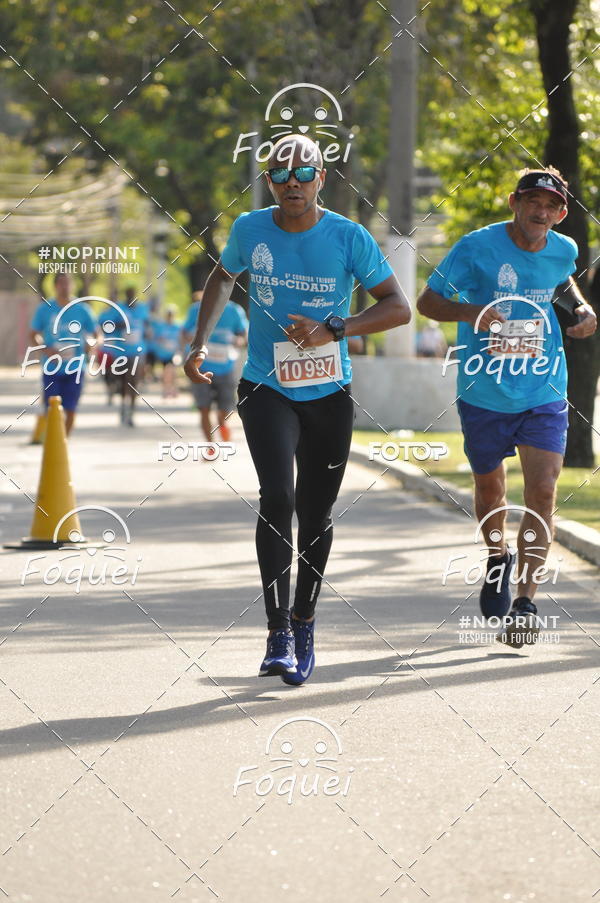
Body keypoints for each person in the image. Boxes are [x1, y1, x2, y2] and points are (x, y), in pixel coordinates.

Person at [184, 134, 411, 683]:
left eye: (303, 173)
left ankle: (305, 619)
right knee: (278, 497)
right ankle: (277, 630)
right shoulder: (249, 230)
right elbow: (222, 276)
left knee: (315, 512)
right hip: (267, 385)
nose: (292, 182)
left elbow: (398, 308)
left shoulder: (349, 237)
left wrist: (336, 328)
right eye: (282, 174)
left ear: (321, 179)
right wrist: (199, 342)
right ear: (269, 182)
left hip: (329, 394)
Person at [417, 167, 597, 646]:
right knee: (490, 489)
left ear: (560, 214)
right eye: (532, 202)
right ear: (515, 202)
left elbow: (561, 283)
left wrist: (579, 308)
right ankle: (498, 558)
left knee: (542, 491)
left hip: (543, 391)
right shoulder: (475, 247)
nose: (541, 213)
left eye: (551, 206)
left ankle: (525, 603)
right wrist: (470, 312)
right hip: (485, 392)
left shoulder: (564, 249)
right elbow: (427, 301)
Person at [29, 273, 98, 435]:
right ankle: (52, 440)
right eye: (61, 283)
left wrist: (92, 344)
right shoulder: (45, 309)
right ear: (55, 286)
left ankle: (63, 444)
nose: (65, 286)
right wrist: (46, 350)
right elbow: (32, 335)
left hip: (75, 367)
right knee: (51, 408)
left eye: (68, 283)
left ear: (72, 285)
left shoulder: (82, 309)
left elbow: (97, 334)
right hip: (52, 367)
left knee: (71, 408)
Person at [182, 290, 248, 441]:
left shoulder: (235, 310)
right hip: (201, 367)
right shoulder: (196, 309)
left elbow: (243, 334)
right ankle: (210, 445)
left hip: (226, 367)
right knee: (203, 409)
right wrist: (192, 340)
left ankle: (222, 423)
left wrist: (239, 341)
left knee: (225, 410)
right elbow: (184, 332)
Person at [151, 306, 182, 398]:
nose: (169, 317)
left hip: (174, 353)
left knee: (173, 371)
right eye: (168, 315)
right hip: (163, 353)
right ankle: (165, 390)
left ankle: (174, 389)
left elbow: (181, 339)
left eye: (171, 315)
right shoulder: (161, 326)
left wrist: (180, 350)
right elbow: (156, 337)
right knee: (165, 372)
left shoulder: (177, 326)